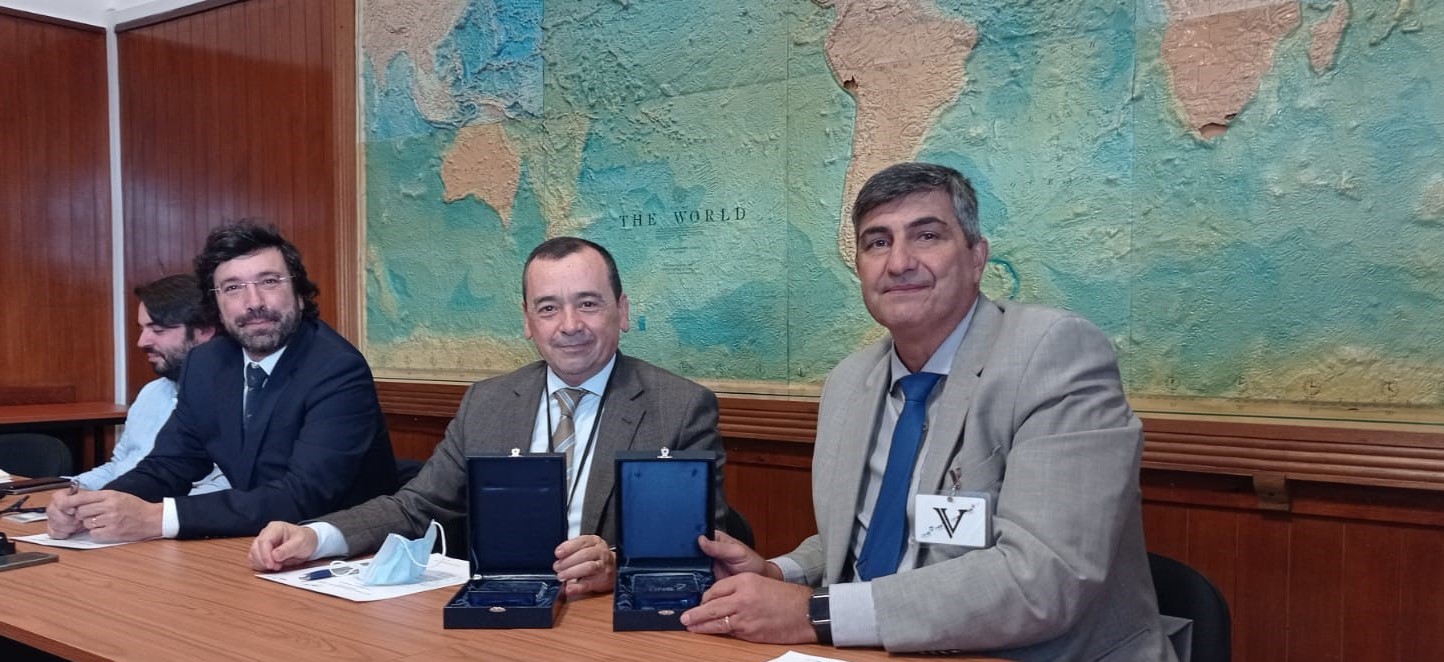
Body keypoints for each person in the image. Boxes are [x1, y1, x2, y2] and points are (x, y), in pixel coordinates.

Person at [679, 162, 1176, 659]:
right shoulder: (850, 381)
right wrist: (779, 572)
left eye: (927, 236)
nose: (899, 262)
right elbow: (872, 538)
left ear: (977, 257)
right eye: (878, 242)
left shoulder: (1054, 353)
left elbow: (1044, 579)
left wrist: (815, 612)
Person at [249, 237, 730, 597]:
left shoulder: (679, 407)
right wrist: (316, 535)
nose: (569, 326)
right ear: (527, 321)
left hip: (603, 617)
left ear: (621, 311)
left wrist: (616, 565)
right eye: (548, 308)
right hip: (501, 607)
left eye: (588, 303)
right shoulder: (488, 402)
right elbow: (416, 506)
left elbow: (700, 544)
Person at [47, 223, 399, 542]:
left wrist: (156, 518)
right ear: (215, 304)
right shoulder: (206, 363)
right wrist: (96, 506)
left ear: (299, 293)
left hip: (340, 554)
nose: (254, 302)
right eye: (232, 288)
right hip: (249, 544)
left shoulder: (336, 368)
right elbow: (170, 465)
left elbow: (302, 496)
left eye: (269, 281)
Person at [72, 274, 229, 494]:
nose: (142, 342)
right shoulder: (151, 392)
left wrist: (137, 508)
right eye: (142, 329)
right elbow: (118, 467)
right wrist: (70, 489)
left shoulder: (235, 400)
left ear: (205, 331)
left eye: (157, 330)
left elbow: (227, 490)